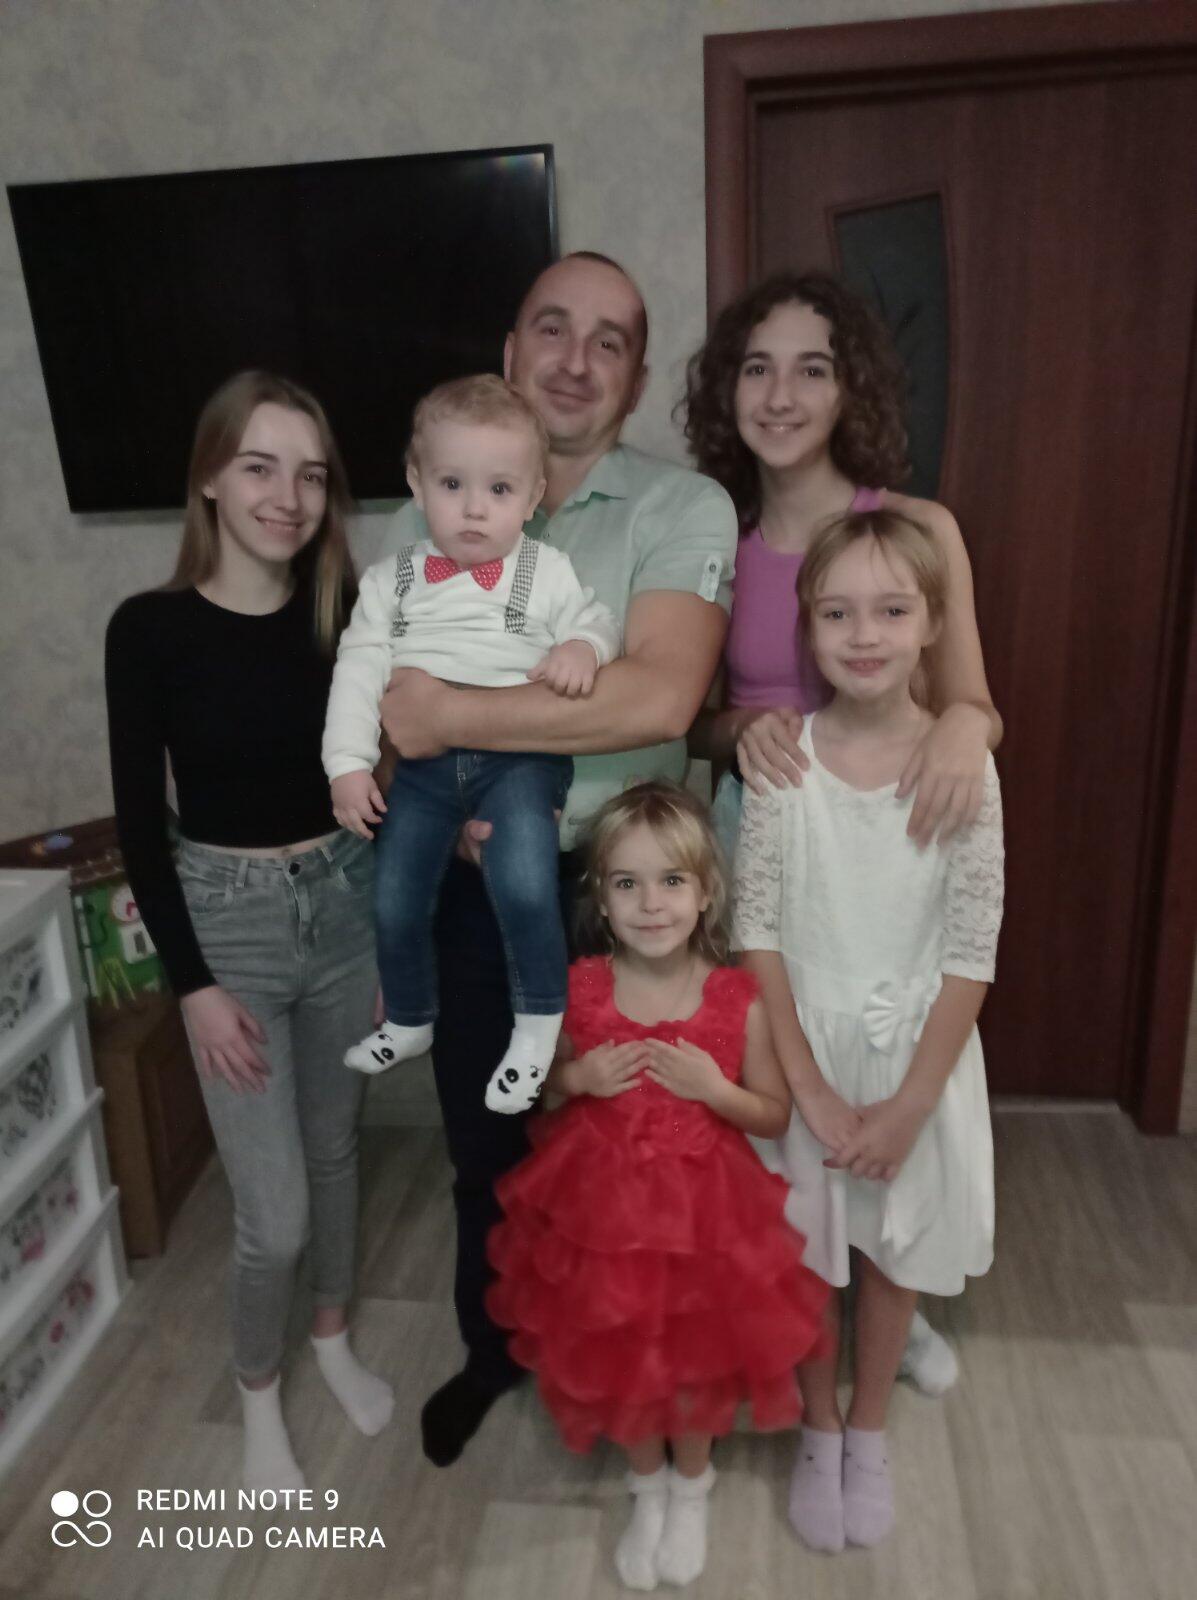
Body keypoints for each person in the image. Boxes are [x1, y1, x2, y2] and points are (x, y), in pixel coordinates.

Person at [375, 252, 739, 1467]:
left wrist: (456, 721)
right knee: (490, 1147)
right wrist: (437, 778)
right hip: (470, 888)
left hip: (629, 898)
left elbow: (659, 696)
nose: (576, 361)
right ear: (511, 346)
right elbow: (385, 699)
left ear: (634, 377)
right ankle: (494, 1353)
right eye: (552, 329)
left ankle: (632, 1378)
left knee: (639, 1166)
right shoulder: (426, 509)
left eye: (609, 342)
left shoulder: (682, 507)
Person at [683, 268, 1001, 1394]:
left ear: (848, 386)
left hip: (892, 840)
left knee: (890, 1054)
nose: (780, 395)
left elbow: (973, 702)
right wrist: (743, 728)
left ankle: (892, 1297)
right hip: (768, 838)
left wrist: (963, 725)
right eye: (756, 369)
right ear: (727, 391)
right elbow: (693, 716)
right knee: (792, 1086)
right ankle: (805, 1300)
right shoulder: (712, 538)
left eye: (811, 368)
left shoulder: (917, 529)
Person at [105, 372, 393, 1492]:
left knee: (336, 1151)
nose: (289, 496)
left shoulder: (346, 611)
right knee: (271, 1218)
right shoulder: (149, 631)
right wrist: (193, 986)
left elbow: (386, 777)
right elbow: (141, 824)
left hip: (347, 903)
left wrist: (394, 938)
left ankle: (331, 1335)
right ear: (211, 480)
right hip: (229, 925)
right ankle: (257, 1387)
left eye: (311, 474)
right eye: (261, 467)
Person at [734, 507, 1004, 1552]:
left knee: (894, 1253)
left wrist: (910, 1104)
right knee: (808, 1248)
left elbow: (971, 947)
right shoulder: (783, 763)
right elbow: (758, 930)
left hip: (916, 1060)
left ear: (932, 622)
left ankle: (870, 1427)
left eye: (892, 610)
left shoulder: (962, 765)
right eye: (837, 611)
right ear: (806, 626)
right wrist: (804, 1083)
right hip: (803, 1047)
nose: (863, 634)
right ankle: (818, 1424)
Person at [488, 782, 828, 1590]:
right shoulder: (578, 988)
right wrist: (576, 1077)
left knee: (692, 1363)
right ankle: (647, 1486)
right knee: (624, 1359)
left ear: (705, 892)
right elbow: (541, 1087)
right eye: (627, 883)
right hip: (599, 1218)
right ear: (600, 899)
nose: (650, 904)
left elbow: (773, 1113)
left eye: (671, 881)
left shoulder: (738, 1000)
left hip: (705, 1219)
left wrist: (714, 1090)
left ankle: (692, 1487)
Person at [323, 375, 619, 1113]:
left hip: (518, 764)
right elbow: (358, 667)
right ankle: (410, 1018)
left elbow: (596, 620)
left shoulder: (545, 570)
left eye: (499, 488)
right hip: (423, 771)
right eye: (452, 484)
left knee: (524, 883)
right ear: (416, 483)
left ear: (533, 496)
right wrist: (348, 764)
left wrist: (581, 647)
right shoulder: (390, 580)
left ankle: (537, 1025)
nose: (475, 507)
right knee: (395, 895)